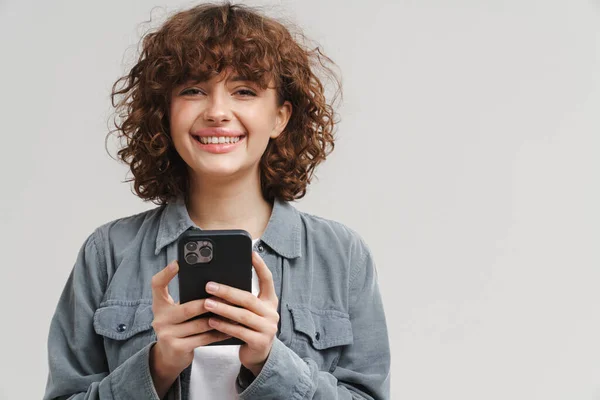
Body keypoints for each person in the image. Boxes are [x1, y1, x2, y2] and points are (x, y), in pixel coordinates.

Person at [43, 2, 390, 399]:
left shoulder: (343, 257)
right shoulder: (107, 253)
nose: (217, 112)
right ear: (165, 112)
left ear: (280, 117)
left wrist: (270, 361)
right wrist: (157, 366)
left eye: (244, 91)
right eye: (193, 90)